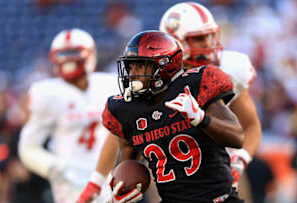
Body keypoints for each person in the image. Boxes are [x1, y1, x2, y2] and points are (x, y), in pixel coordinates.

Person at [78, 30, 245, 203]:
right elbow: (125, 165)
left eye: (140, 65)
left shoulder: (195, 86)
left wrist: (200, 118)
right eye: (130, 66)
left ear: (164, 65)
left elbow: (237, 138)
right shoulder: (125, 109)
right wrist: (118, 192)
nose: (133, 72)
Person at [159, 2, 262, 188]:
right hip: (172, 173)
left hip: (221, 167)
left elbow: (251, 125)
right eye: (199, 38)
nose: (208, 44)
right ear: (175, 42)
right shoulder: (157, 80)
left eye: (210, 36)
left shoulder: (229, 70)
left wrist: (240, 159)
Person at [18, 28, 118, 203]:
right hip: (71, 182)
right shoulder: (48, 93)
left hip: (108, 174)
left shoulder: (109, 85)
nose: (68, 61)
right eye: (63, 54)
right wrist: (55, 167)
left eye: (73, 53)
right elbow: (27, 148)